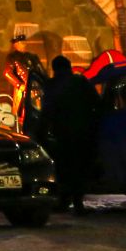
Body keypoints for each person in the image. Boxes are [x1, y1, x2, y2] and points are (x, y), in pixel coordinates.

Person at [37, 55, 101, 213]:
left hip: (62, 134)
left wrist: (41, 133)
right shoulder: (80, 82)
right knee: (80, 167)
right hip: (83, 132)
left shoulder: (52, 85)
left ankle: (64, 201)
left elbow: (47, 111)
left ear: (55, 69)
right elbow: (96, 102)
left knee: (64, 168)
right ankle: (78, 202)